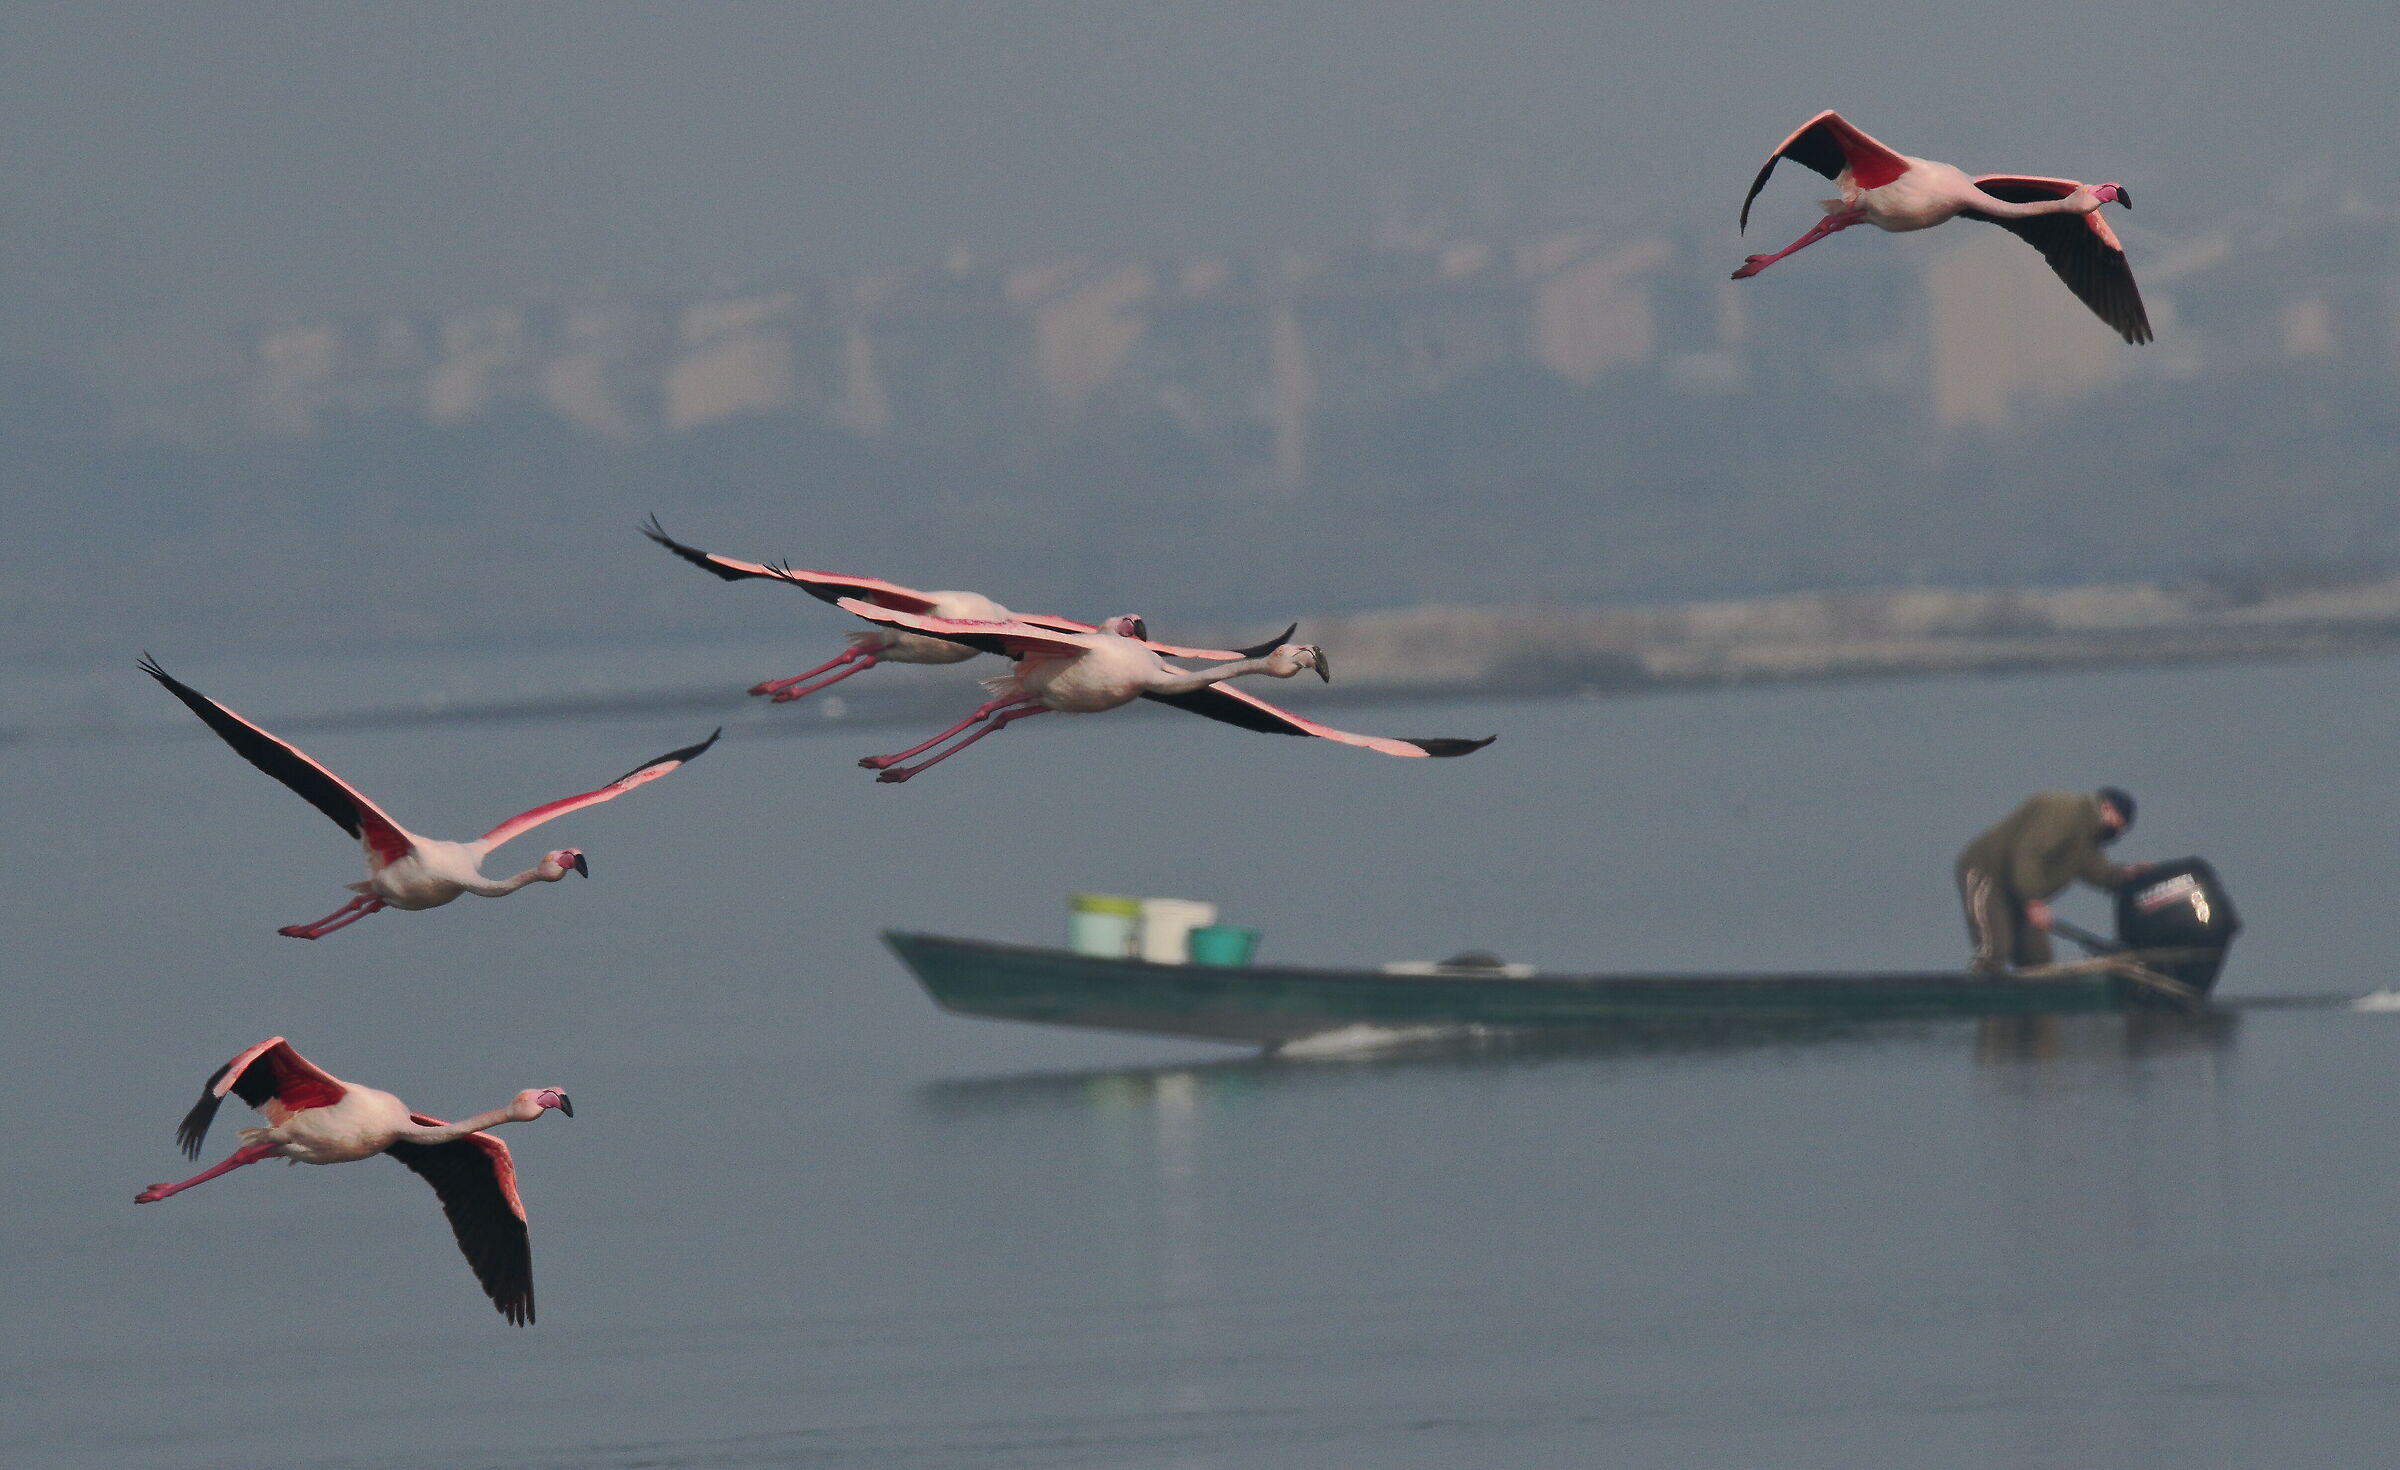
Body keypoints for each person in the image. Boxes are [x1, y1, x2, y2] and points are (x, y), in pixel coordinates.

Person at [1955, 788, 2145, 974]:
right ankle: (1972, 998)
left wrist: (2128, 875)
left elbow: (2099, 871)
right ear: (2107, 808)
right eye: (2117, 826)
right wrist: (2033, 901)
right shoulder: (2064, 811)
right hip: (1989, 874)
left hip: (2021, 890)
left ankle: (2034, 1004)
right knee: (1995, 950)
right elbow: (2027, 852)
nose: (2115, 834)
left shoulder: (2086, 840)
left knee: (2039, 960)